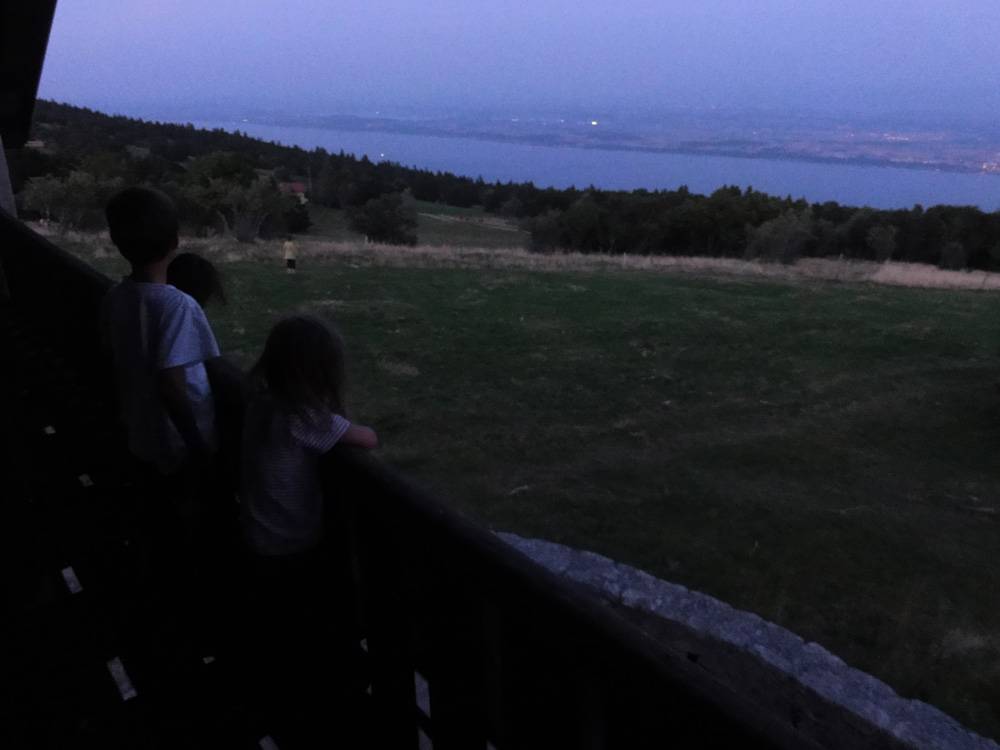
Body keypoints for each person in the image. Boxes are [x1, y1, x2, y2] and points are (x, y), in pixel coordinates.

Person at [240, 315, 377, 726]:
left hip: (256, 534)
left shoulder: (261, 401)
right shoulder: (303, 418)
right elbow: (367, 439)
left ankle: (287, 679)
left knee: (282, 619)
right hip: (292, 543)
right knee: (312, 618)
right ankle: (322, 696)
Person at [101, 187, 220, 476]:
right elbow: (171, 384)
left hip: (139, 428)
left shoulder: (116, 296)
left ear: (116, 241)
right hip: (177, 442)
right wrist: (197, 446)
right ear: (175, 241)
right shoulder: (176, 305)